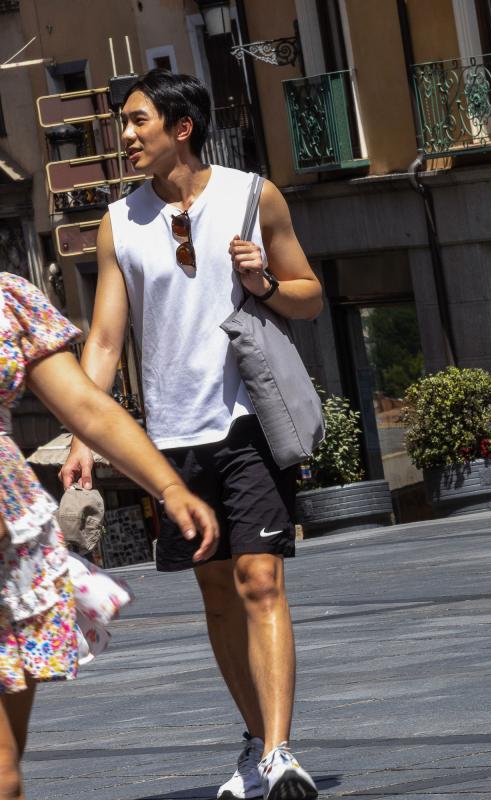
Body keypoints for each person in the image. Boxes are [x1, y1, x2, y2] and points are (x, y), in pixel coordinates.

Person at [58, 70, 324, 800]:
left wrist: (265, 280)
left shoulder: (251, 195)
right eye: (124, 124)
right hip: (171, 442)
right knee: (215, 597)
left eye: (138, 120)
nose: (127, 134)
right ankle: (253, 738)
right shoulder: (120, 222)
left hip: (246, 425)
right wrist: (85, 432)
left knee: (260, 579)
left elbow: (310, 296)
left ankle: (278, 754)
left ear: (182, 127)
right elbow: (108, 338)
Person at [0, 271, 218, 800]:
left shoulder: (6, 298)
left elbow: (88, 407)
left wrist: (168, 486)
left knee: (4, 775)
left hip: (10, 557)